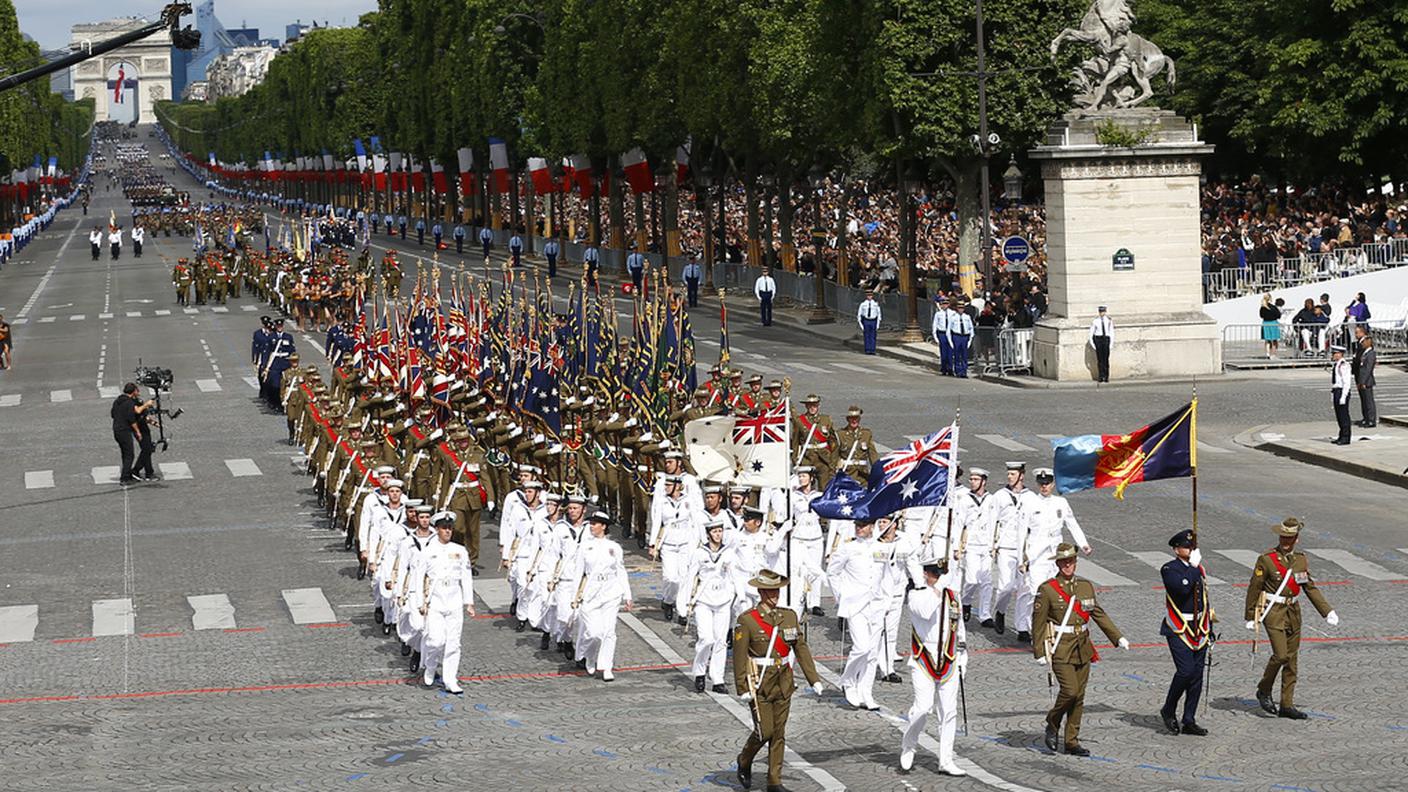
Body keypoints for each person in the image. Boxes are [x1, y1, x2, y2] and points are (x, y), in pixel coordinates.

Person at [1033, 543, 1129, 756]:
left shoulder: (1085, 586)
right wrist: (1039, 652)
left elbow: (1098, 614)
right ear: (1058, 564)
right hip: (1061, 646)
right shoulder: (1047, 589)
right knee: (1070, 691)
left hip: (1082, 647)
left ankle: (1071, 741)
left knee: (1079, 696)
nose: (1068, 565)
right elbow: (1038, 624)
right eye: (1064, 562)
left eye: (1071, 561)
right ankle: (1052, 722)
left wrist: (1117, 637)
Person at [733, 568, 824, 792]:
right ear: (762, 592)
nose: (775, 595)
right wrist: (742, 687)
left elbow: (800, 647)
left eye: (778, 591)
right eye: (771, 591)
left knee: (779, 732)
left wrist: (814, 679)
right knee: (765, 730)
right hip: (760, 682)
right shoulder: (747, 620)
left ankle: (774, 780)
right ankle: (745, 759)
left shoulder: (789, 616)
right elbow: (738, 656)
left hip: (783, 680)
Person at [1244, 517, 1338, 720]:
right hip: (1273, 611)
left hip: (1293, 612)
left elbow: (1309, 587)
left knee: (1292, 661)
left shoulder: (1301, 560)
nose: (1285, 541)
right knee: (1281, 655)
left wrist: (1326, 611)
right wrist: (1251, 615)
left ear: (1296, 538)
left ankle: (1287, 704)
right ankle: (1263, 688)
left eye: (1290, 538)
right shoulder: (1267, 559)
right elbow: (1255, 587)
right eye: (1283, 537)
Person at [899, 558, 968, 776]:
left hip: (948, 659)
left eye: (940, 575)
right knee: (922, 708)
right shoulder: (916, 595)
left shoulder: (952, 596)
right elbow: (927, 611)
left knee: (948, 712)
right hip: (924, 660)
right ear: (925, 575)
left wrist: (962, 657)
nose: (938, 579)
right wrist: (938, 587)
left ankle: (945, 760)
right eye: (934, 575)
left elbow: (959, 629)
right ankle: (908, 746)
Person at [410, 511, 476, 694]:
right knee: (435, 641)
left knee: (454, 642)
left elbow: (466, 576)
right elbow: (418, 578)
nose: (448, 531)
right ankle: (430, 665)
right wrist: (419, 603)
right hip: (436, 600)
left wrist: (468, 602)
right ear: (437, 529)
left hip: (454, 598)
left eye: (449, 528)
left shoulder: (460, 550)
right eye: (444, 528)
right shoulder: (428, 551)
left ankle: (450, 679)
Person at [1159, 529, 1213, 736]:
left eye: (1192, 547)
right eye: (1186, 547)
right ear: (1176, 549)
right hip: (1179, 627)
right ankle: (1168, 709)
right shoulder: (1169, 568)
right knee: (1185, 671)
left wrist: (1210, 628)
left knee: (1197, 674)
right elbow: (1182, 589)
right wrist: (1193, 567)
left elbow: (1204, 600)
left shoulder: (1198, 568)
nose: (1190, 550)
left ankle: (1189, 718)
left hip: (1199, 627)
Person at [829, 517, 886, 710]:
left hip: (877, 604)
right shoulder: (848, 547)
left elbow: (885, 575)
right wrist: (840, 596)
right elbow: (832, 572)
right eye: (857, 525)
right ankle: (848, 682)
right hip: (856, 604)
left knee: (872, 652)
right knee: (861, 647)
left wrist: (886, 601)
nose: (859, 529)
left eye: (863, 525)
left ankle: (866, 692)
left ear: (873, 526)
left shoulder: (881, 547)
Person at [572, 511, 632, 681]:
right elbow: (578, 573)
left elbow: (621, 571)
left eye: (595, 523)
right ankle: (590, 656)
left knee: (609, 631)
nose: (591, 526)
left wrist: (627, 594)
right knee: (593, 633)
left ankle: (606, 666)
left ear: (604, 526)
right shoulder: (584, 547)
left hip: (611, 592)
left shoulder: (614, 547)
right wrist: (574, 596)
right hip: (591, 593)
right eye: (590, 523)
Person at [681, 519, 736, 693]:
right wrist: (683, 603)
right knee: (706, 638)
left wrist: (736, 595)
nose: (718, 535)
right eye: (714, 532)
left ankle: (717, 679)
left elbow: (734, 576)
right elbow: (690, 577)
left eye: (720, 531)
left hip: (723, 600)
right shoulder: (699, 553)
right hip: (704, 599)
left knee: (720, 641)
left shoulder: (728, 552)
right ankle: (699, 672)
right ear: (708, 534)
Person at [111, 382, 157, 484]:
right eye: (137, 390)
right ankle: (125, 478)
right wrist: (138, 432)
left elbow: (112, 414)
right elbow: (134, 416)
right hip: (124, 430)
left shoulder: (117, 401)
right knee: (129, 455)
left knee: (125, 454)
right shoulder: (129, 403)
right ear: (133, 391)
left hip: (116, 429)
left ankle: (127, 474)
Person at [1354, 325, 1376, 427]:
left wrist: (1363, 381)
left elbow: (1368, 369)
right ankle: (1366, 418)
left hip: (1366, 380)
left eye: (1364, 342)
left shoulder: (1370, 354)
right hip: (1361, 379)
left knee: (1368, 401)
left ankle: (1371, 419)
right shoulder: (1365, 353)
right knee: (1364, 400)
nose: (1362, 344)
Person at [1330, 344, 1352, 444]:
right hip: (1337, 390)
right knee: (1339, 416)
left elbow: (1346, 382)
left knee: (1344, 415)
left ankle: (1346, 437)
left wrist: (1344, 396)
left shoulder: (1344, 365)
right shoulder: (1337, 364)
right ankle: (1341, 435)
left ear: (1340, 354)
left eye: (1335, 353)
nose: (1333, 355)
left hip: (1342, 391)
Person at [947, 297, 974, 377]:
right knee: (957, 355)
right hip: (957, 336)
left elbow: (971, 329)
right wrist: (950, 342)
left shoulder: (967, 317)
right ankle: (958, 371)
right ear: (957, 308)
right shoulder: (953, 317)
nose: (961, 309)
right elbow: (949, 330)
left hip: (964, 336)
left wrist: (970, 340)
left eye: (962, 308)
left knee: (964, 355)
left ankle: (964, 371)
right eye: (959, 308)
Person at [1089, 305, 1114, 382]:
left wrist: (1111, 343)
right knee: (1100, 359)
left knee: (1106, 359)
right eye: (1100, 312)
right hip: (1098, 339)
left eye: (1103, 312)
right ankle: (1101, 376)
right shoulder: (1095, 321)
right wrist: (1093, 344)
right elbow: (1091, 333)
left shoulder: (1109, 320)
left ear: (1105, 312)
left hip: (1106, 339)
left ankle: (1106, 376)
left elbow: (1111, 332)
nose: (1102, 313)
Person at [931, 296, 952, 374]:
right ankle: (944, 368)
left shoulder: (952, 313)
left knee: (950, 352)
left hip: (949, 333)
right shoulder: (938, 314)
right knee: (943, 353)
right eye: (943, 304)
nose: (945, 305)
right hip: (942, 333)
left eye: (946, 304)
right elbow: (935, 325)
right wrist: (936, 337)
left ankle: (950, 368)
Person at [1258, 294, 1281, 359]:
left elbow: (1261, 316)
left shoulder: (1262, 307)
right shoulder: (1273, 307)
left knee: (1267, 340)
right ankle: (1273, 354)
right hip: (1273, 323)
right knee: (1274, 340)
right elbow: (1278, 315)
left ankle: (1268, 354)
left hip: (1265, 323)